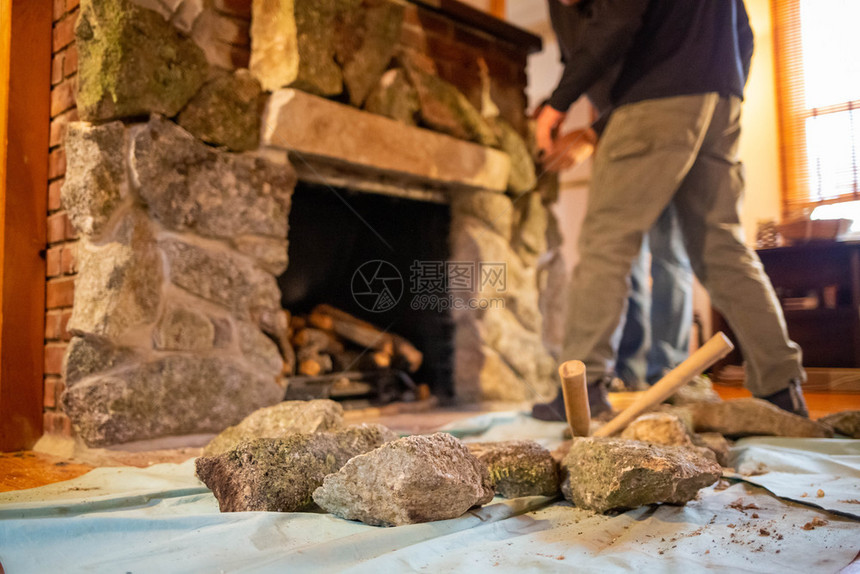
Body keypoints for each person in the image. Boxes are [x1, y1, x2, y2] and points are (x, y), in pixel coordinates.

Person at [531, 0, 809, 421]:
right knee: (723, 248)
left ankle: (582, 390)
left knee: (606, 246)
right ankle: (781, 389)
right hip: (722, 97)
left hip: (653, 100)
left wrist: (558, 102)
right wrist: (722, 90)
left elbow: (618, 17)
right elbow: (744, 34)